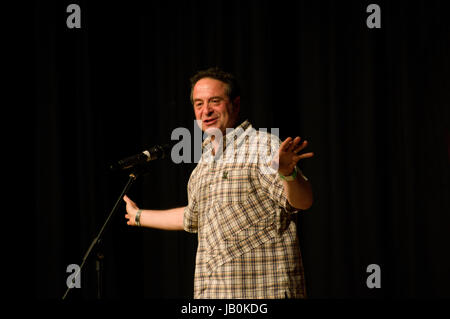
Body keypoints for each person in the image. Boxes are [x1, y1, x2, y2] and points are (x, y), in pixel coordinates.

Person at [123, 67, 314, 298]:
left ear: (235, 103)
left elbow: (302, 202)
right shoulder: (203, 164)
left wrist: (288, 174)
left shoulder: (262, 146)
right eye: (199, 103)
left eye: (215, 101)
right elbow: (191, 217)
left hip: (261, 293)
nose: (206, 111)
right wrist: (138, 216)